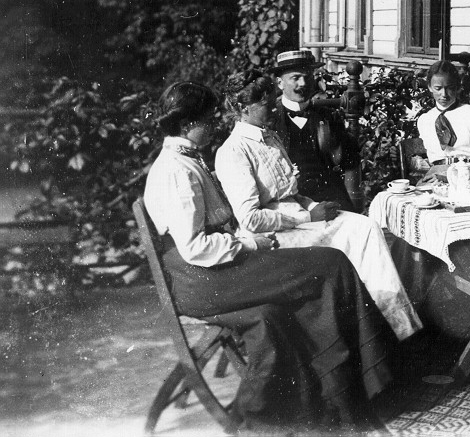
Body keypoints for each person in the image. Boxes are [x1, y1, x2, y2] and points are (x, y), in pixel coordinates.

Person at [143, 81, 391, 432]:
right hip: (202, 278)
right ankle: (366, 380)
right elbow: (196, 247)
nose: (215, 125)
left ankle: (334, 394)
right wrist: (251, 245)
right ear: (187, 124)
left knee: (300, 290)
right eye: (209, 119)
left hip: (211, 269)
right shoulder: (176, 171)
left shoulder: (185, 159)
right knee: (330, 264)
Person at [215, 70, 423, 342]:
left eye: (274, 101)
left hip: (298, 219)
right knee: (357, 235)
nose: (274, 108)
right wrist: (307, 217)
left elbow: (291, 194)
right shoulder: (234, 151)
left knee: (365, 226)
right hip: (273, 236)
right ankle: (386, 327)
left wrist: (314, 205)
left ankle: (393, 323)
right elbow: (250, 218)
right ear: (244, 108)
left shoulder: (270, 138)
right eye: (266, 104)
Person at [272, 48, 360, 209]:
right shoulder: (271, 121)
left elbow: (350, 161)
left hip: (330, 199)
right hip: (289, 203)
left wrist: (336, 149)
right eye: (295, 78)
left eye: (307, 77)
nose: (303, 84)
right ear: (280, 83)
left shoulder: (328, 117)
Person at [415, 59, 470, 186]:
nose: (444, 94)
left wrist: (450, 176)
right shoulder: (425, 120)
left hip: (466, 178)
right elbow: (427, 160)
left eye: (450, 88)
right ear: (429, 87)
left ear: (458, 87)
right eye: (438, 88)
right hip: (433, 181)